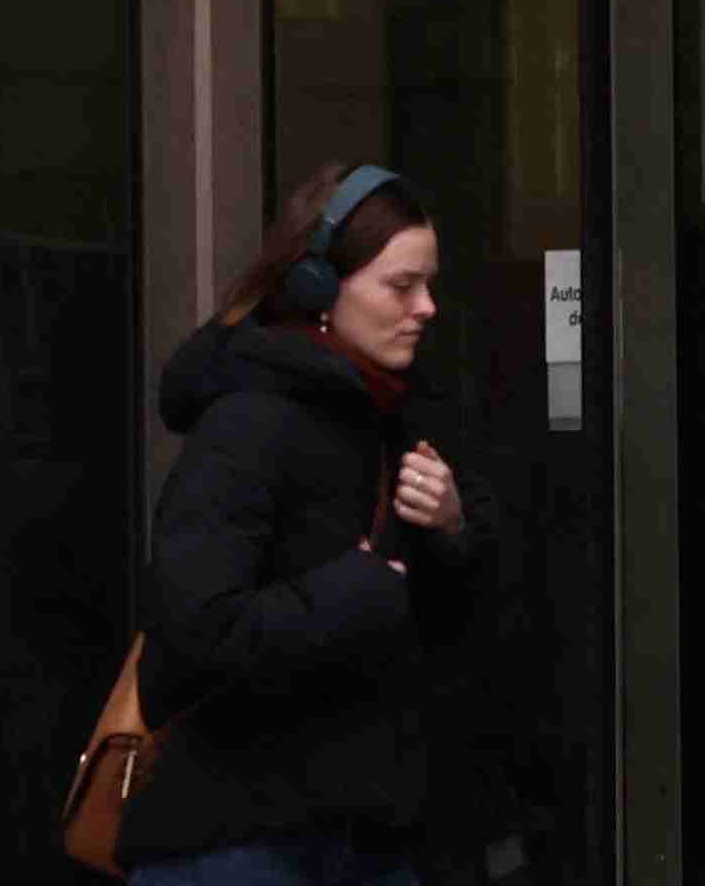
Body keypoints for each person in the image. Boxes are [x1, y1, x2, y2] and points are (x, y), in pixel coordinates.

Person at [121, 162, 487, 886]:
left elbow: (439, 633)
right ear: (318, 288)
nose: (427, 308)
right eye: (400, 285)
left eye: (429, 283)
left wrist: (451, 530)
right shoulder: (249, 423)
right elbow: (192, 632)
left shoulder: (390, 418)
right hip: (242, 847)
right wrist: (352, 592)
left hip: (368, 837)